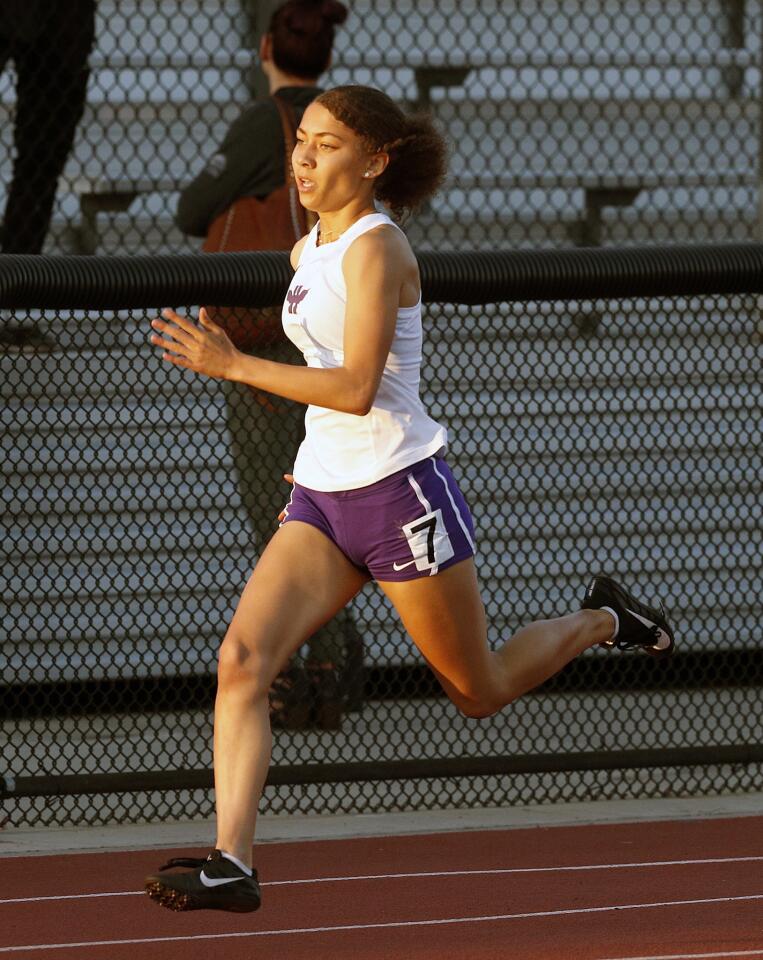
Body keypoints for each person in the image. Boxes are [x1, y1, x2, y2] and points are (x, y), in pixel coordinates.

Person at [144, 84, 675, 914]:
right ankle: (232, 862)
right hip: (325, 496)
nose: (304, 157)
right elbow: (331, 397)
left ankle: (604, 618)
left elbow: (358, 387)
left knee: (479, 691)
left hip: (399, 494)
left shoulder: (376, 248)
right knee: (242, 662)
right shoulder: (304, 250)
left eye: (326, 144)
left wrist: (233, 365)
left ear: (374, 161)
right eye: (302, 140)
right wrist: (313, 457)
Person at [177, 0, 360, 730]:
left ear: (263, 47)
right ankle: (328, 662)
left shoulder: (268, 124)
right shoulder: (347, 124)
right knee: (322, 502)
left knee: (275, 512)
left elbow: (193, 210)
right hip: (332, 332)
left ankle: (307, 668)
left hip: (263, 338)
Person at [0, 0, 96, 351]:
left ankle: (14, 303)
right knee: (39, 166)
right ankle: (14, 303)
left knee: (41, 163)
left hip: (60, 22)